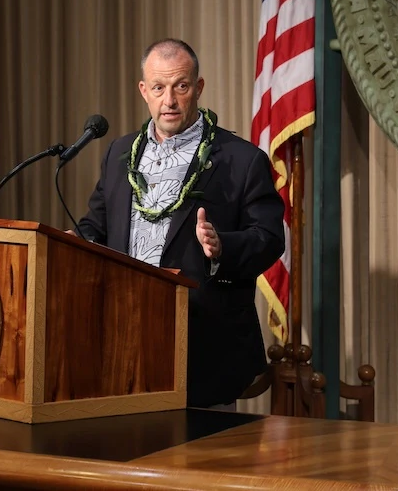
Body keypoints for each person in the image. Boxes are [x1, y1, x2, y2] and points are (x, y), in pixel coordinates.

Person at [76, 38, 285, 409]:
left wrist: (223, 246)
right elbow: (97, 225)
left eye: (181, 87)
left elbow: (269, 238)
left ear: (198, 87)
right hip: (123, 342)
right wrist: (74, 242)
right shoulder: (119, 154)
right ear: (144, 91)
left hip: (204, 348)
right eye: (158, 88)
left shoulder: (241, 159)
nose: (169, 100)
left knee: (201, 460)